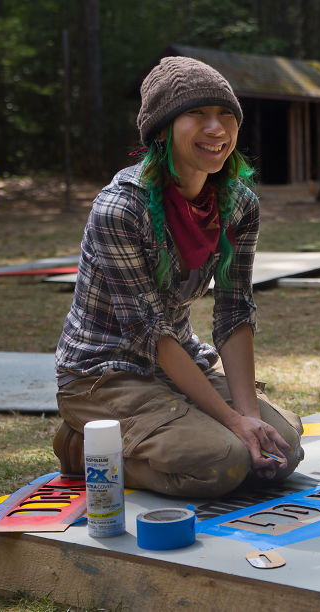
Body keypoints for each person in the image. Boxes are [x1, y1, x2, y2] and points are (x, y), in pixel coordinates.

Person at [53, 56, 303, 498]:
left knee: (283, 451)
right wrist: (232, 425)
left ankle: (194, 434)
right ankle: (83, 447)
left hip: (180, 361)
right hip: (104, 373)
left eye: (227, 115)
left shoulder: (239, 204)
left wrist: (249, 418)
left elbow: (234, 308)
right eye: (197, 114)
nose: (217, 129)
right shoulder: (120, 209)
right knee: (222, 463)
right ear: (163, 129)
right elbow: (150, 331)